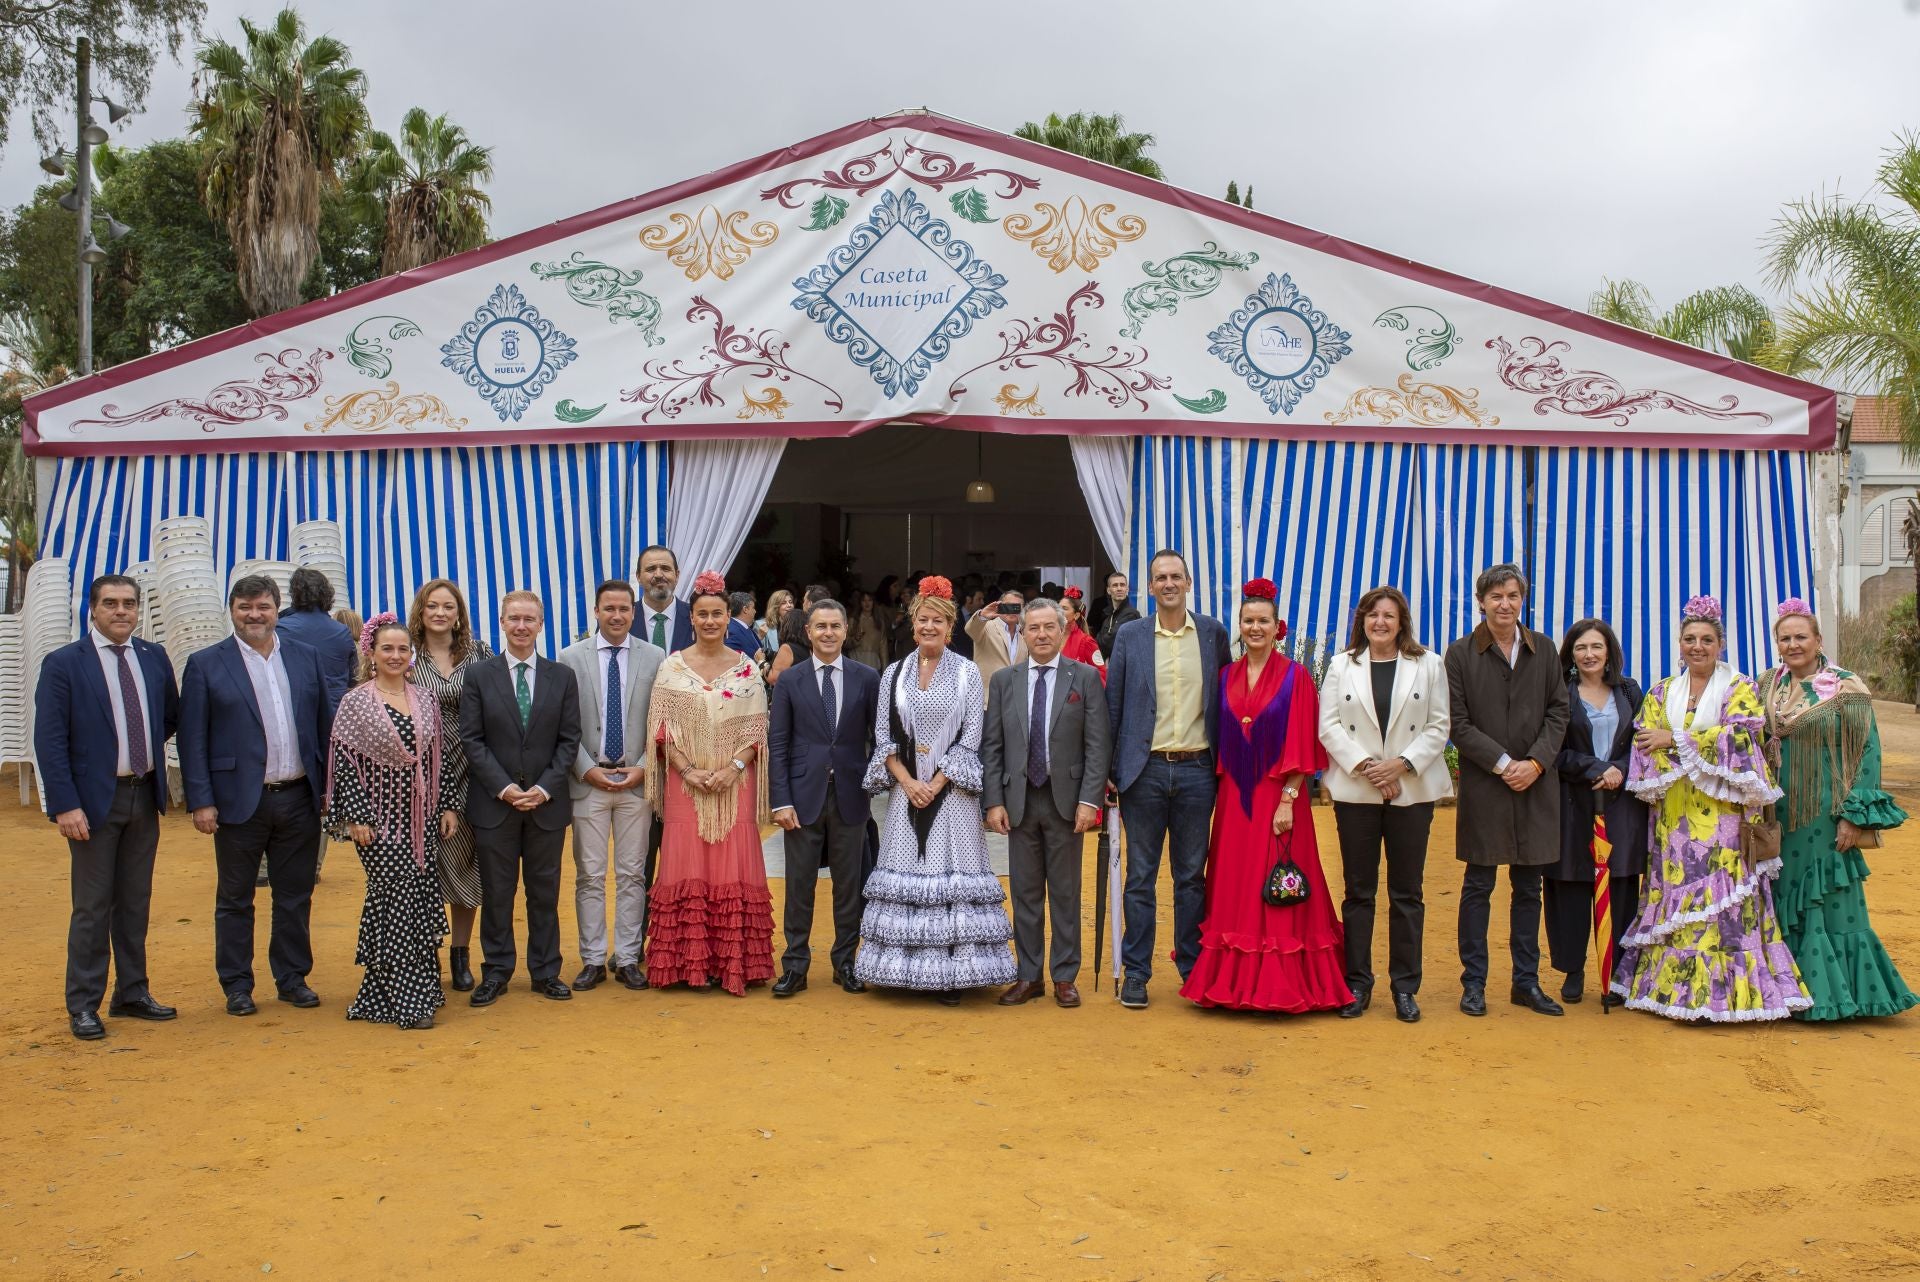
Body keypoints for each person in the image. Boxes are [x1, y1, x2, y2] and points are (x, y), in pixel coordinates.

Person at [1613, 594, 1809, 1022]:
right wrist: (1681, 744)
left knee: (1724, 904)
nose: (1697, 646)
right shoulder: (1662, 691)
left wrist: (1676, 741)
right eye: (1689, 639)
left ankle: (1721, 997)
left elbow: (1742, 740)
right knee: (1678, 901)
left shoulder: (1740, 688)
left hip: (1725, 816)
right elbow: (1645, 744)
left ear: (1720, 645)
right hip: (1674, 820)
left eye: (1706, 639)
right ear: (1679, 644)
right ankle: (1679, 994)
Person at [1174, 581, 1348, 1011]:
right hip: (1235, 799)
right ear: (1240, 626)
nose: (1255, 627)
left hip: (1279, 796)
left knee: (1279, 884)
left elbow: (1303, 740)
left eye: (1262, 621)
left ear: (1277, 627)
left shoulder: (1297, 677)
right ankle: (1231, 985)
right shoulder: (1225, 676)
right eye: (1248, 621)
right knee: (1235, 883)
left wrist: (1289, 798)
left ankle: (1283, 983)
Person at [855, 575, 1016, 1004]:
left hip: (953, 794)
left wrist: (936, 782)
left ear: (950, 628)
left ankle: (951, 975)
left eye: (938, 622)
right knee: (909, 877)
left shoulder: (966, 673)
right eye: (923, 620)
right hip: (907, 792)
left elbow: (971, 737)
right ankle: (898, 971)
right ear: (913, 625)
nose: (929, 627)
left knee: (949, 881)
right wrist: (908, 783)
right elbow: (883, 737)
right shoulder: (893, 674)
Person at [178, 574, 333, 1016]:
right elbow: (193, 739)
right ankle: (237, 985)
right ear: (232, 610)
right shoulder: (207, 663)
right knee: (234, 898)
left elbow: (323, 727)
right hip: (236, 801)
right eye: (245, 607)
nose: (254, 615)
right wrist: (201, 800)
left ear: (277, 609)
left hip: (298, 797)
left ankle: (292, 978)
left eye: (262, 606)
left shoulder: (305, 658)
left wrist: (327, 789)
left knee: (295, 894)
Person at [35, 574, 180, 1041]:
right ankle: (83, 1004)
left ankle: (132, 992)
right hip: (92, 804)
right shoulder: (64, 664)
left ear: (139, 610)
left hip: (143, 793)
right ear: (92, 610)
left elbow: (169, 717)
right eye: (111, 604)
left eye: (129, 604)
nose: (121, 611)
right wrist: (66, 805)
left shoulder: (154, 658)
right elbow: (50, 741)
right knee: (93, 907)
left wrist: (135, 752)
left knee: (135, 902)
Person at [1760, 600, 1915, 1020]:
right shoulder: (1767, 685)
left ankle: (1838, 996)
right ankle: (1787, 993)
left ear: (1818, 640)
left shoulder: (1847, 688)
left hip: (1825, 814)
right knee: (1783, 898)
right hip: (1780, 816)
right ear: (1776, 644)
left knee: (1827, 899)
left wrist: (1853, 814)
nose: (1793, 644)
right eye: (1785, 638)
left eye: (1801, 637)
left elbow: (1869, 753)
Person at [1317, 585, 1451, 1024]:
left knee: (1407, 892)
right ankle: (1357, 983)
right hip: (1357, 790)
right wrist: (1369, 767)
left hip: (1411, 790)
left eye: (1389, 616)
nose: (1380, 622)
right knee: (1359, 891)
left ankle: (1405, 987)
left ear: (1401, 622)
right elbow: (1329, 725)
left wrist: (1400, 766)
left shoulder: (1428, 664)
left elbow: (1438, 724)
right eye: (1373, 615)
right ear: (1362, 620)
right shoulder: (1341, 664)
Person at [1106, 549, 1231, 1010]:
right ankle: (1137, 972)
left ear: (1189, 582)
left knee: (1190, 879)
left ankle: (1193, 969)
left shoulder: (1213, 634)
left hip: (1199, 769)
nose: (1168, 583)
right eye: (1160, 577)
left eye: (1175, 576)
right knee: (1139, 878)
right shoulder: (1131, 635)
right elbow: (1113, 704)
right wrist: (1111, 771)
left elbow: (1227, 700)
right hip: (1145, 771)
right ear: (1151, 586)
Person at [1445, 563, 1569, 1018]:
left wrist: (1535, 763)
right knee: (1478, 885)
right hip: (1487, 787)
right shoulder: (1460, 654)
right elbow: (1458, 724)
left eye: (1513, 595)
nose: (1505, 604)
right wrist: (1503, 765)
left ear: (1523, 600)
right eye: (1496, 596)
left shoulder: (1545, 650)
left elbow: (1559, 711)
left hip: (1536, 787)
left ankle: (1526, 982)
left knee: (1529, 888)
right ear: (1481, 602)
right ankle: (1473, 983)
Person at [644, 571, 776, 994]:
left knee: (733, 865)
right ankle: (687, 966)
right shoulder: (672, 668)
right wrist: (688, 771)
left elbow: (758, 730)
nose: (710, 621)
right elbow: (660, 731)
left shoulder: (747, 670)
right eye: (702, 614)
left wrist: (732, 768)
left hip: (735, 784)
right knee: (685, 865)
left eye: (717, 614)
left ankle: (732, 963)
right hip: (685, 787)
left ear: (727, 617)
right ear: (692, 619)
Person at [326, 615, 459, 1030]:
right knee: (396, 900)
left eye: (403, 649)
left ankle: (392, 992)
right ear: (371, 652)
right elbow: (345, 765)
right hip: (379, 822)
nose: (396, 656)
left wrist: (448, 806)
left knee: (417, 902)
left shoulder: (425, 699)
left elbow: (439, 758)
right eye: (388, 648)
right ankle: (407, 999)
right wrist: (358, 818)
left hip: (422, 819)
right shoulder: (356, 702)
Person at [982, 598, 1109, 1008]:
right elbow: (993, 746)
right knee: (1025, 892)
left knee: (1066, 892)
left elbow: (1097, 744)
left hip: (1067, 802)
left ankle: (1064, 976)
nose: (1040, 634)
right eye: (1033, 628)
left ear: (1062, 630)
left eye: (1048, 628)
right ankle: (1029, 975)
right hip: (1019, 802)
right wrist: (993, 801)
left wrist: (1091, 800)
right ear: (1025, 632)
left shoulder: (1085, 678)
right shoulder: (1005, 680)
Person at [458, 589, 582, 1007]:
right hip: (495, 804)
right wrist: (506, 788)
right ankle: (496, 972)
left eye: (529, 619)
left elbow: (569, 741)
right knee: (497, 891)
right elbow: (472, 740)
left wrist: (544, 788)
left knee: (544, 892)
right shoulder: (478, 676)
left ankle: (546, 971)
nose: (522, 626)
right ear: (502, 622)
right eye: (514, 619)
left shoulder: (561, 677)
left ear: (541, 624)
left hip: (547, 805)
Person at [768, 598, 880, 997]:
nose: (828, 633)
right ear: (809, 632)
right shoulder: (791, 680)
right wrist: (780, 800)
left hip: (851, 795)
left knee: (849, 885)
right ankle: (795, 965)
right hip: (801, 797)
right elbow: (778, 742)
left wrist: (872, 781)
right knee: (799, 885)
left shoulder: (868, 678)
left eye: (835, 626)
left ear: (846, 631)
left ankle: (845, 962)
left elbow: (879, 739)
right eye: (821, 627)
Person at [559, 580, 664, 992]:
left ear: (633, 613)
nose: (617, 615)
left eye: (624, 609)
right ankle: (591, 959)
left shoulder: (655, 658)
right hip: (588, 782)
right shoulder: (570, 659)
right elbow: (564, 725)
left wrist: (643, 767)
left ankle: (627, 957)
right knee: (590, 874)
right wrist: (586, 770)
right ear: (596, 612)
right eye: (609, 609)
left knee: (633, 874)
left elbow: (663, 722)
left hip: (637, 782)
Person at [1547, 619, 1649, 1010]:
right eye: (1580, 648)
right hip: (1574, 802)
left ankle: (1616, 974)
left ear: (1609, 652)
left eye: (1596, 647)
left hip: (1621, 805)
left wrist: (1620, 769)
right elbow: (1554, 750)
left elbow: (1642, 741)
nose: (1589, 655)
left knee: (1621, 888)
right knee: (1570, 885)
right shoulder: (1559, 693)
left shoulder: (1628, 690)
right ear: (1571, 655)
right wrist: (1594, 768)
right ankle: (1573, 970)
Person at [407, 579, 493, 991]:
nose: (440, 613)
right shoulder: (405, 654)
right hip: (419, 773)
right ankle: (425, 955)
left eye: (448, 606)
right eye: (432, 606)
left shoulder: (480, 655)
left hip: (473, 769)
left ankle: (461, 955)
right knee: (422, 867)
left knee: (464, 862)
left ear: (459, 613)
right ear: (420, 611)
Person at [276, 567, 354, 881]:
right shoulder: (340, 632)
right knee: (320, 792)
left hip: (293, 717)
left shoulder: (282, 627)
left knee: (289, 785)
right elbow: (350, 678)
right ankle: (314, 864)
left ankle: (274, 861)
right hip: (335, 720)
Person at [278, 566, 356, 710]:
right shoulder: (342, 631)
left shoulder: (281, 628)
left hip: (296, 710)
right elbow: (353, 679)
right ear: (327, 594)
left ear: (294, 593)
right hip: (335, 712)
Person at [965, 588, 1029, 699]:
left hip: (1015, 700)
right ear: (999, 607)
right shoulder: (986, 627)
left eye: (1017, 607)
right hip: (988, 699)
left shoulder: (1024, 635)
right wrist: (982, 616)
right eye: (1008, 606)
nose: (1012, 610)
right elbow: (970, 629)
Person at [768, 583, 832, 684]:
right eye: (783, 603)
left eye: (804, 600)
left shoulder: (811, 626)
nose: (802, 603)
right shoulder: (828, 623)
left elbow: (775, 679)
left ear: (810, 603)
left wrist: (762, 664)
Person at [636, 545, 693, 654]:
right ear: (638, 577)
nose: (658, 575)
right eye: (650, 569)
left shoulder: (696, 617)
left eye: (665, 568)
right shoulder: (623, 618)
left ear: (677, 575)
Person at [1056, 587, 1106, 680]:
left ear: (1076, 615)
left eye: (1064, 608)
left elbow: (1101, 674)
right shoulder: (1050, 637)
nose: (1059, 612)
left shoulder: (1086, 641)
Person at [1094, 571, 1139, 657]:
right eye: (1115, 585)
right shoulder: (1108, 616)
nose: (1119, 588)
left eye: (1122, 585)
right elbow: (1097, 643)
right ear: (1108, 590)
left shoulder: (1131, 615)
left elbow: (1109, 644)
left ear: (1127, 589)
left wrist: (1101, 640)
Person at [848, 590, 889, 671]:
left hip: (873, 665)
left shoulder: (879, 622)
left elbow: (883, 647)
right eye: (864, 600)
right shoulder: (853, 620)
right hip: (855, 663)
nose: (867, 603)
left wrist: (885, 670)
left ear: (874, 602)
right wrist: (855, 639)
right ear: (860, 603)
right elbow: (844, 643)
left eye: (870, 600)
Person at [727, 591, 763, 660]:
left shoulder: (742, 627)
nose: (755, 611)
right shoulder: (731, 630)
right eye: (753, 608)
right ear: (745, 609)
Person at [758, 589, 794, 654]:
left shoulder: (796, 625)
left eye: (790, 602)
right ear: (775, 607)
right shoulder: (761, 624)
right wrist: (760, 637)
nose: (789, 605)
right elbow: (756, 650)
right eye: (784, 603)